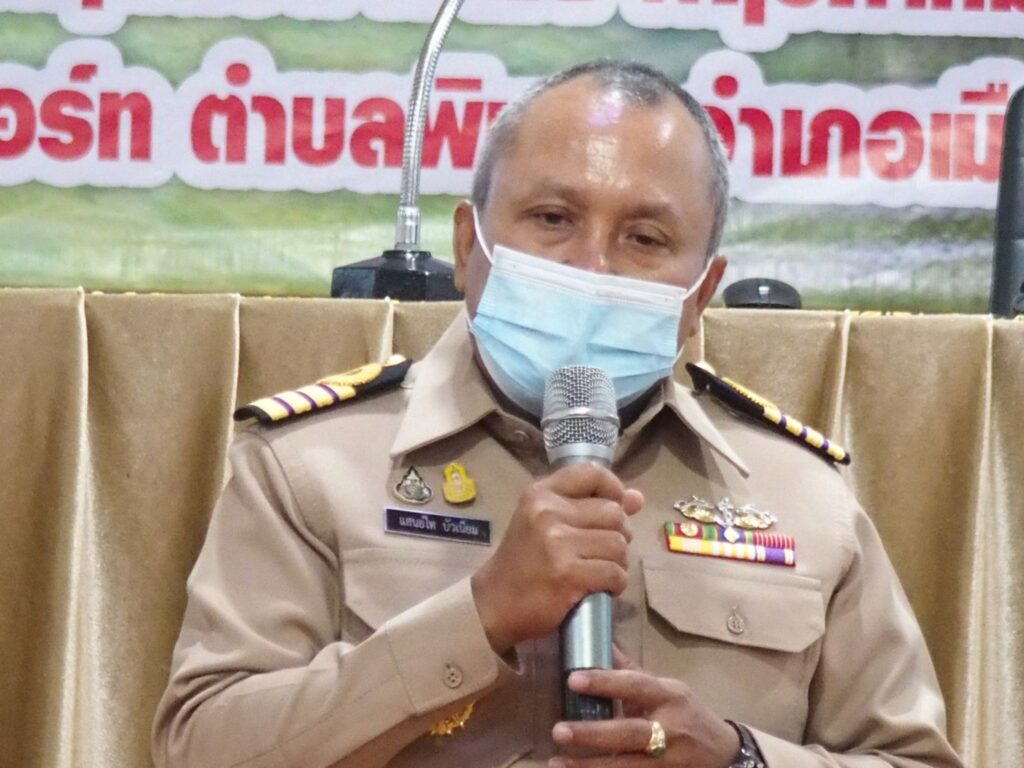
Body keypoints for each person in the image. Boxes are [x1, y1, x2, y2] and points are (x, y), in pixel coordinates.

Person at [152, 61, 962, 768]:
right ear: (468, 247)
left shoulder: (803, 498)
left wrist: (737, 758)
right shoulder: (310, 466)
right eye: (552, 219)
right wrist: (477, 618)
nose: (591, 266)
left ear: (700, 296)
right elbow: (200, 749)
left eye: (646, 238)